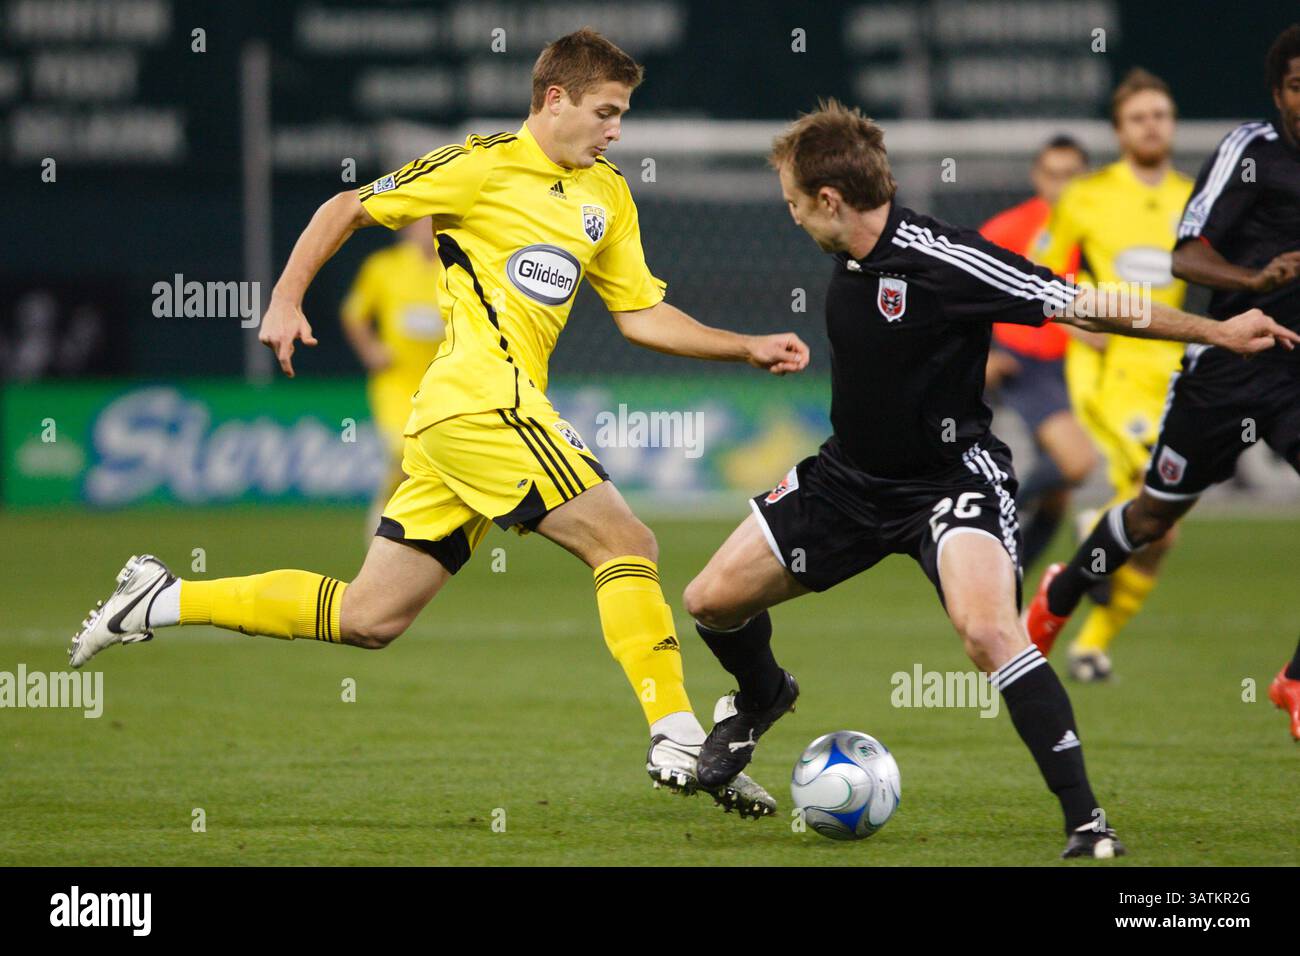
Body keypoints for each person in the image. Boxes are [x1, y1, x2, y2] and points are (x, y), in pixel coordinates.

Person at [69, 28, 811, 816]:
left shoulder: (607, 194)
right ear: (554, 99)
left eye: (621, 114)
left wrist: (744, 347)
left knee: (369, 618)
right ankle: (675, 730)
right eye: (604, 111)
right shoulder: (480, 165)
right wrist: (284, 298)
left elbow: (640, 313)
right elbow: (348, 206)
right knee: (628, 543)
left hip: (466, 422)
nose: (615, 129)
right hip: (481, 403)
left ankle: (160, 598)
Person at [679, 99, 1295, 857]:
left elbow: (1086, 304)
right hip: (847, 479)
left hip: (949, 483)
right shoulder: (849, 252)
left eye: (795, 203)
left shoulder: (945, 260)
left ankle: (1086, 823)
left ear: (832, 200)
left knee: (988, 632)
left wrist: (1217, 328)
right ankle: (762, 696)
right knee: (709, 601)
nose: (793, 217)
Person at [1025, 25, 1300, 741]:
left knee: (1152, 526)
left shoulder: (1177, 180)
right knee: (1151, 520)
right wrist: (1254, 281)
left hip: (1295, 376)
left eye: (1160, 115)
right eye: (1299, 87)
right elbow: (1185, 257)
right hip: (1221, 372)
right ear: (1277, 95)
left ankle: (1293, 681)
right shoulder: (1249, 154)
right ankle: (1065, 590)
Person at [1032, 70, 1194, 682]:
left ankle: (1090, 644)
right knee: (1154, 496)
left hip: (1172, 370)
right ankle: (1091, 531)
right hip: (1111, 369)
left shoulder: (1193, 196)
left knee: (1164, 527)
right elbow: (1037, 275)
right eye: (1140, 116)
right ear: (1120, 130)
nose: (1153, 124)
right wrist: (1079, 326)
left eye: (1162, 114)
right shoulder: (1087, 196)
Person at [981, 135, 1096, 572]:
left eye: (1072, 174)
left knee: (1059, 493)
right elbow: (967, 294)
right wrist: (987, 352)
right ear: (1037, 177)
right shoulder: (1010, 229)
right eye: (1053, 174)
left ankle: (1010, 577)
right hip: (1030, 363)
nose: (1062, 184)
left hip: (1091, 369)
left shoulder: (1100, 230)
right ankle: (997, 514)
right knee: (1076, 462)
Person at [340, 219, 445, 537]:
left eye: (434, 224)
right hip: (396, 382)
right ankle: (384, 514)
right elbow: (354, 314)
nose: (427, 231)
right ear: (408, 228)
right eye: (421, 224)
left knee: (433, 454)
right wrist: (370, 349)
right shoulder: (383, 267)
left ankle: (414, 522)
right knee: (403, 448)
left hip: (440, 382)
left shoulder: (454, 269)